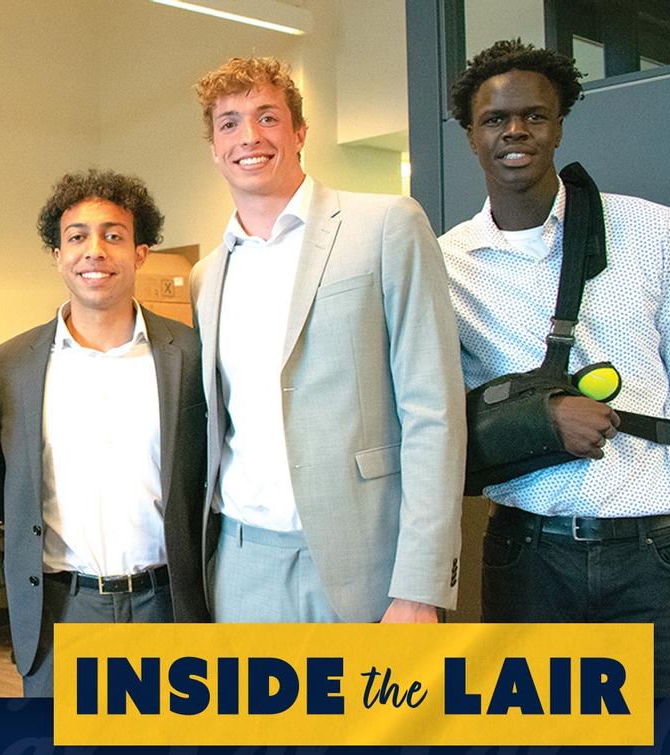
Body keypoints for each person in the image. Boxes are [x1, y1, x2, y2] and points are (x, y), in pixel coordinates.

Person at [440, 40, 670, 695]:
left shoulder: (651, 231)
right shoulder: (444, 263)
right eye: (494, 119)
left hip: (659, 555)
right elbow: (435, 423)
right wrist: (538, 421)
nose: (515, 131)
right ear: (471, 135)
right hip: (528, 559)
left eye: (534, 116)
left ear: (560, 122)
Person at [190, 57, 465, 625]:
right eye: (230, 123)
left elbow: (433, 411)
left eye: (268, 117)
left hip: (366, 559)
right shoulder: (206, 275)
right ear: (214, 148)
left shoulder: (387, 225)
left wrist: (420, 585)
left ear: (299, 133)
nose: (250, 137)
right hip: (242, 563)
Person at [0, 169, 208, 697]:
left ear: (140, 252)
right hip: (60, 614)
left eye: (114, 235)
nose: (95, 250)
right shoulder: (12, 364)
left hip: (168, 608)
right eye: (77, 236)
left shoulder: (191, 356)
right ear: (57, 255)